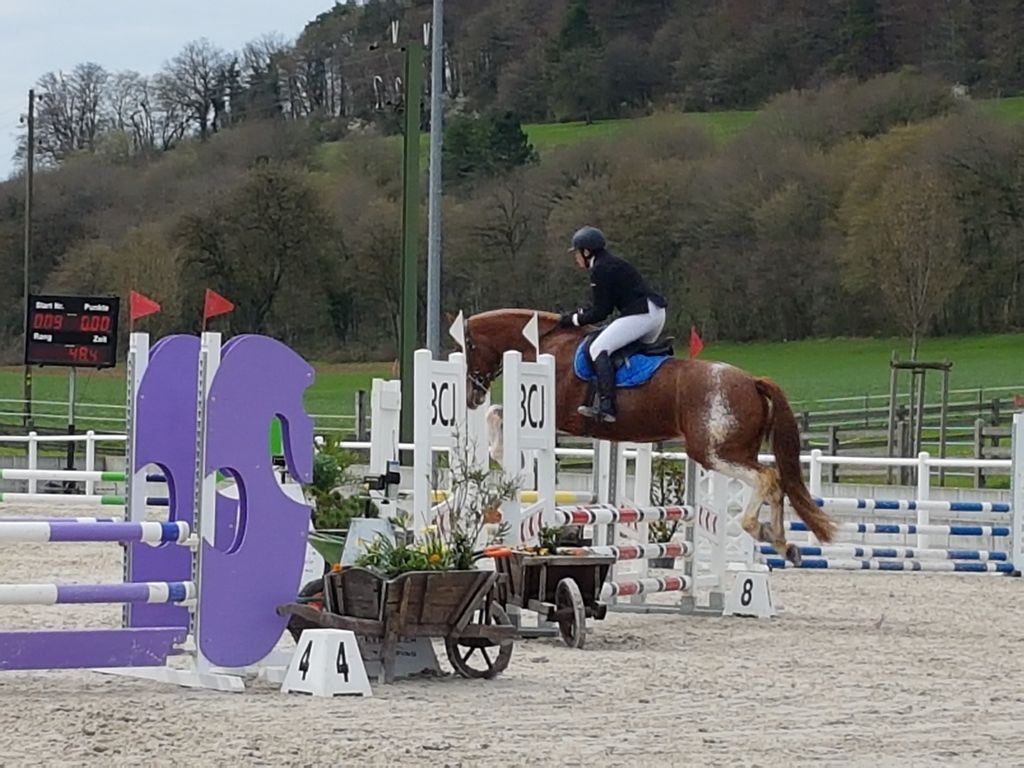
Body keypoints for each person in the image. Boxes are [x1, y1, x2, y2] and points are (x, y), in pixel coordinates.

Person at [559, 226, 668, 423]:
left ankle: (607, 405)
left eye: (577, 253)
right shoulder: (610, 263)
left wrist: (573, 320)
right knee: (619, 350)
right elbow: (602, 305)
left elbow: (601, 312)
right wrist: (580, 314)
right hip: (654, 312)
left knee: (598, 348)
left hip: (642, 314)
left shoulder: (600, 269)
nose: (576, 258)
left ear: (586, 252)